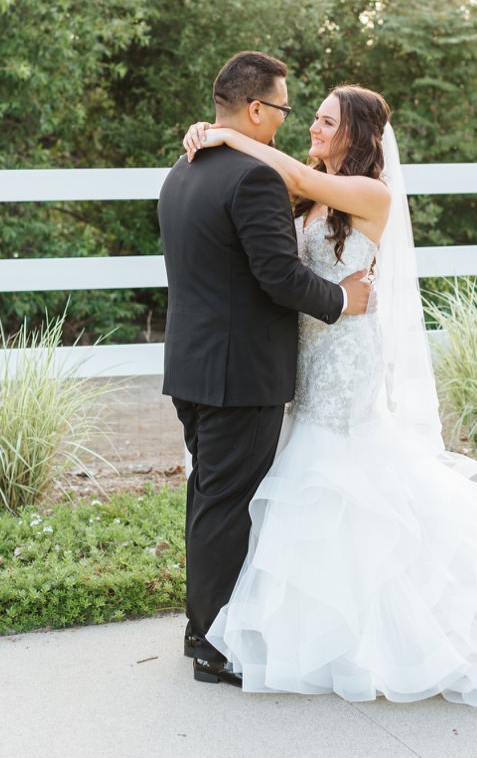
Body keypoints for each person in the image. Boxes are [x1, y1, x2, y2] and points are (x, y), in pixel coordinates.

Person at [178, 84, 477, 714]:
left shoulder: (369, 193)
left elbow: (277, 167)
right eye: (309, 118)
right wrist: (215, 141)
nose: (311, 129)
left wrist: (228, 134)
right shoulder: (306, 190)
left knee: (341, 474)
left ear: (359, 136)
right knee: (293, 483)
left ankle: (358, 634)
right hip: (307, 355)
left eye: (325, 122)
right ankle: (285, 625)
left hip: (345, 360)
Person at [157, 51, 374, 686]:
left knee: (208, 495)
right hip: (240, 373)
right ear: (256, 108)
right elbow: (277, 276)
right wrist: (340, 299)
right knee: (228, 503)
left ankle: (202, 626)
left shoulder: (183, 169)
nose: (288, 120)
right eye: (282, 108)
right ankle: (213, 644)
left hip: (192, 367)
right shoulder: (251, 179)